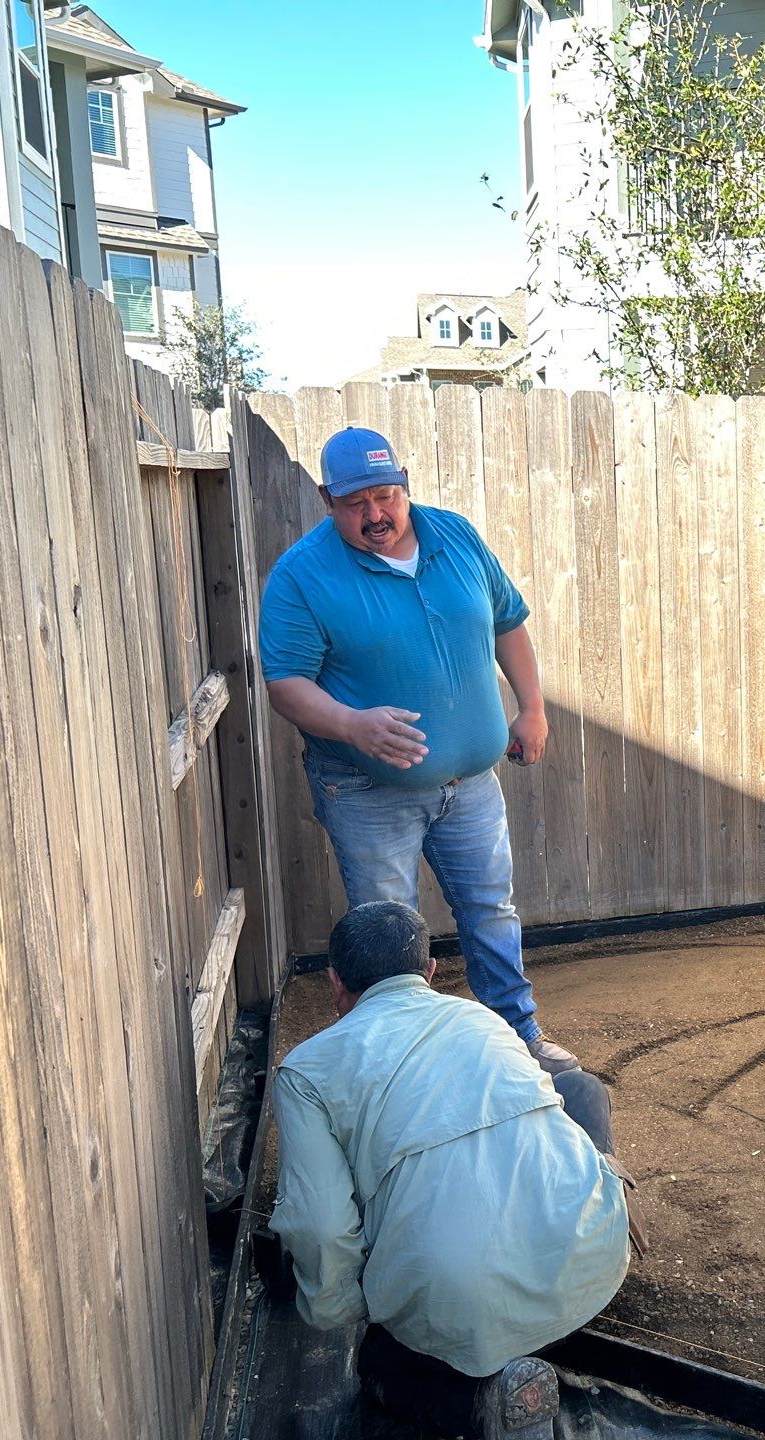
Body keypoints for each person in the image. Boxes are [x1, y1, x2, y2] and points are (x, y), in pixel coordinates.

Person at [258, 425, 578, 1074]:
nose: (375, 514)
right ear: (328, 499)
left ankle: (517, 1044)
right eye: (356, 503)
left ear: (405, 483)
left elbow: (508, 621)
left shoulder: (454, 536)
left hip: (473, 785)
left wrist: (533, 709)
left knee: (491, 913)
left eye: (385, 495)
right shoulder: (302, 576)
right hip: (366, 792)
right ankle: (406, 1071)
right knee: (391, 938)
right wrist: (351, 724)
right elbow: (284, 683)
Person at [269, 902, 634, 1439]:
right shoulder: (483, 1019)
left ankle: (484, 1406)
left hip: (458, 1307)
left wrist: (355, 1308)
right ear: (431, 972)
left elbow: (322, 1227)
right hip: (591, 1264)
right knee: (579, 1090)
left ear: (334, 981)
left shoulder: (306, 1070)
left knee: (379, 1364)